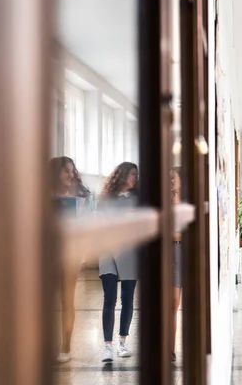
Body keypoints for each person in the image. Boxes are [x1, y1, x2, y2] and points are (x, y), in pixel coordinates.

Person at [50, 156, 90, 364]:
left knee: (67, 300)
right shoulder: (43, 197)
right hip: (48, 254)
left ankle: (65, 346)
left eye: (72, 170)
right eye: (66, 170)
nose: (71, 174)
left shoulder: (81, 198)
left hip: (71, 254)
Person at [98, 162, 139, 362]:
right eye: (131, 174)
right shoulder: (105, 199)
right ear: (121, 175)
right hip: (107, 250)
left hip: (130, 252)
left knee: (127, 298)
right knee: (109, 298)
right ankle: (107, 346)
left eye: (136, 175)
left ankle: (122, 341)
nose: (134, 178)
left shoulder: (139, 200)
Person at [170, 167, 183, 362]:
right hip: (170, 252)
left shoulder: (192, 201)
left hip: (189, 253)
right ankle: (169, 348)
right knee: (172, 304)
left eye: (172, 177)